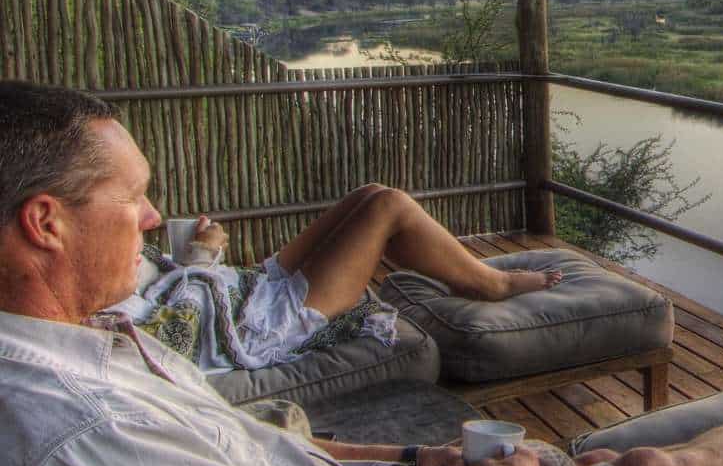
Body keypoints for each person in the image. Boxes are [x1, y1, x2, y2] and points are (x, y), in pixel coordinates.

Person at [0, 80, 723, 466]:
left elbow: (245, 447)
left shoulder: (89, 343)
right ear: (46, 223)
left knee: (377, 203)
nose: (153, 216)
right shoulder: (83, 435)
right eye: (134, 198)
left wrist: (403, 453)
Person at [115, 184, 563, 373]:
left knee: (369, 194)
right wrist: (203, 256)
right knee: (387, 206)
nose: (150, 218)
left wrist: (202, 258)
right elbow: (177, 332)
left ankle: (464, 272)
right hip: (257, 323)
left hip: (239, 291)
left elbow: (165, 296)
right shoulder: (97, 314)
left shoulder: (100, 267)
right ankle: (489, 284)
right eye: (131, 197)